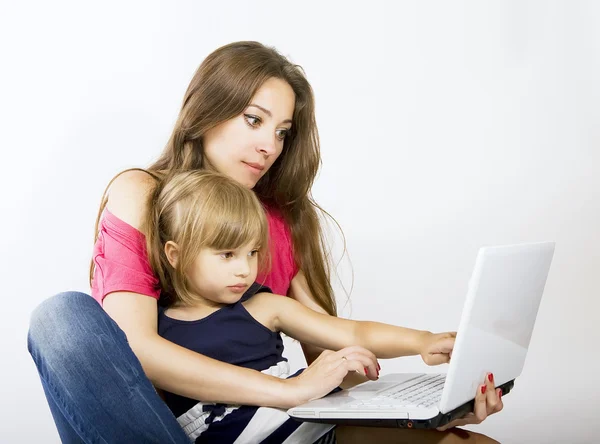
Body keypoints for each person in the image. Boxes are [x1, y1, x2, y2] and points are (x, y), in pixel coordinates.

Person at [28, 41, 503, 443]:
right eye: (253, 120)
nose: (269, 147)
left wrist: (431, 410)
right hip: (167, 427)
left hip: (278, 425)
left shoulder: (280, 219)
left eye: (281, 133)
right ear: (204, 113)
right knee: (60, 319)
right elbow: (137, 352)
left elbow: (339, 359)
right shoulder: (142, 193)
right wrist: (287, 392)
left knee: (472, 442)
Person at [146, 169, 460, 442]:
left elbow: (351, 331)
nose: (244, 268)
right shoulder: (153, 335)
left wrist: (422, 341)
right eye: (227, 254)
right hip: (233, 429)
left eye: (252, 252)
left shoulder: (263, 305)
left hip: (299, 417)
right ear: (175, 254)